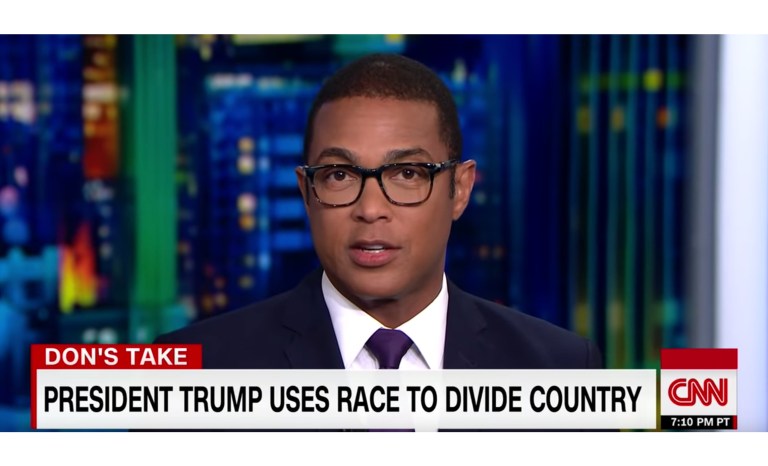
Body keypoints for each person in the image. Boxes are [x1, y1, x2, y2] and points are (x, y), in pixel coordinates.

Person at [156, 53, 602, 372]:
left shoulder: (559, 369)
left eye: (407, 173)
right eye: (339, 176)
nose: (370, 209)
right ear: (306, 192)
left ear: (460, 189)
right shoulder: (199, 371)